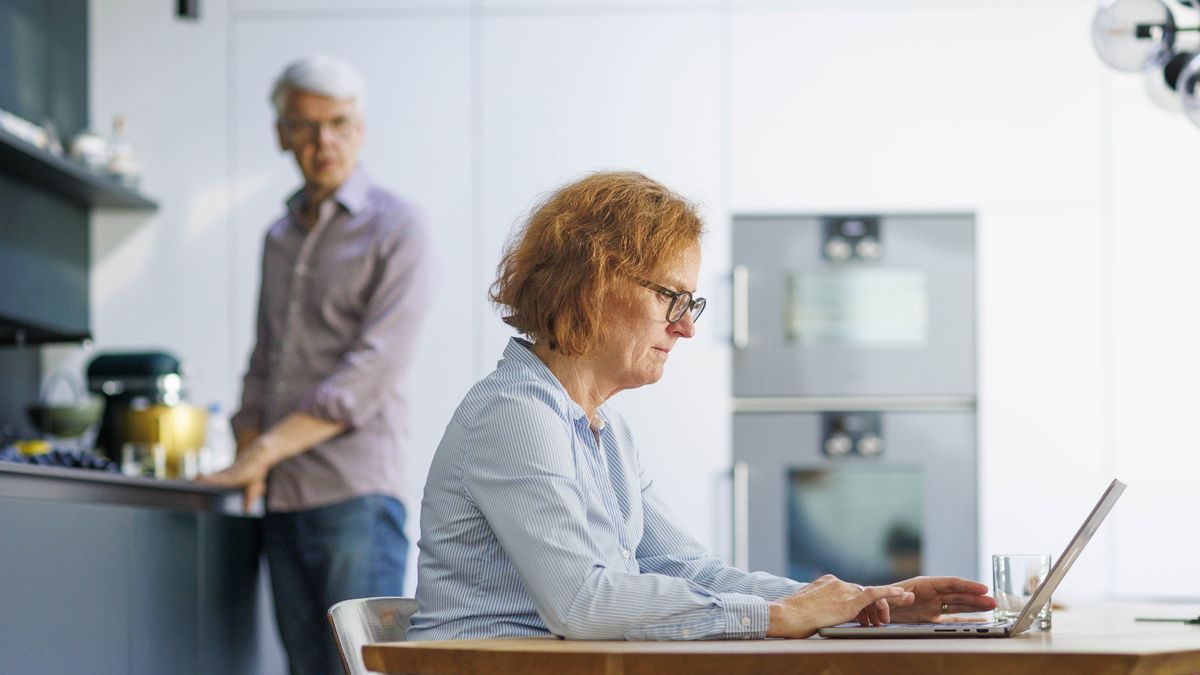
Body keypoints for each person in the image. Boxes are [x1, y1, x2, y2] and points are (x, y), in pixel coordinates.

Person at [408, 171, 994, 641]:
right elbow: (583, 603)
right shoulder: (516, 415)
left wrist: (857, 601)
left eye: (692, 303)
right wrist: (779, 617)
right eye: (671, 297)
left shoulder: (604, 430)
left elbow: (689, 570)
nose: (686, 327)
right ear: (592, 283)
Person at [200, 54, 430, 673]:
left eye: (339, 122)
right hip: (281, 499)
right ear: (281, 133)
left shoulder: (398, 227)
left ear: (361, 128)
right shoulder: (277, 237)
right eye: (305, 125)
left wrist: (263, 451)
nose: (322, 140)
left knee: (363, 670)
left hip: (354, 495)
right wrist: (250, 455)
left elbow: (368, 375)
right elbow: (263, 361)